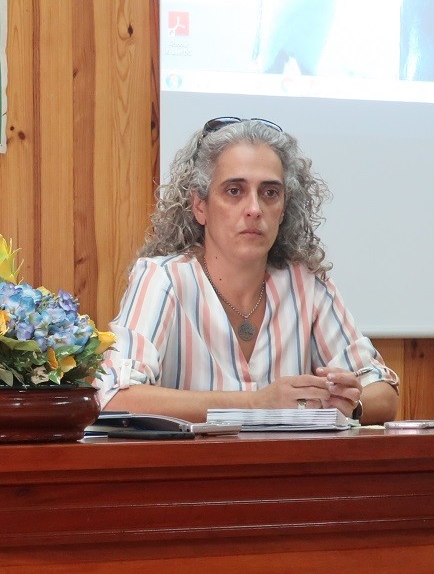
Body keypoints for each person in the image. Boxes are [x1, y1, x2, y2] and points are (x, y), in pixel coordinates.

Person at [97, 117, 399, 424]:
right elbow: (115, 397)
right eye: (234, 191)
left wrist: (352, 404)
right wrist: (255, 403)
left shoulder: (307, 285)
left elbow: (383, 393)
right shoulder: (163, 279)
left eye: (269, 193)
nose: (254, 209)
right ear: (200, 206)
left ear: (283, 209)